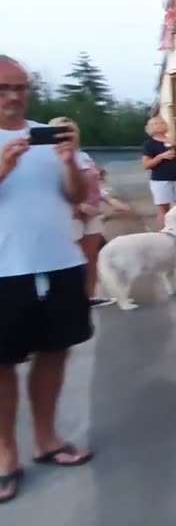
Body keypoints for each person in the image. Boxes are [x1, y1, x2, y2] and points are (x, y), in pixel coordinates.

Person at [0, 56, 94, 505]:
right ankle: (4, 454)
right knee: (2, 367)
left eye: (21, 88)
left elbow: (78, 197)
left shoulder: (45, 137)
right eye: (3, 89)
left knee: (54, 353)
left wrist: (70, 160)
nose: (14, 97)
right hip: (4, 269)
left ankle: (46, 439)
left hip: (58, 261)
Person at [48, 117, 112, 308]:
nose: (68, 135)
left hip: (93, 213)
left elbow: (95, 184)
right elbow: (52, 189)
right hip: (70, 213)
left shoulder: (84, 156)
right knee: (72, 258)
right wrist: (80, 206)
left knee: (91, 256)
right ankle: (71, 299)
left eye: (71, 131)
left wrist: (106, 200)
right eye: (62, 131)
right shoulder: (49, 158)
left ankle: (90, 296)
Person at [141, 115, 176, 230]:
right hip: (161, 180)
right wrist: (160, 157)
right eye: (156, 123)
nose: (160, 124)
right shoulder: (149, 144)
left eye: (162, 122)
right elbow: (146, 165)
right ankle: (164, 233)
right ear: (150, 128)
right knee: (164, 208)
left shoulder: (172, 141)